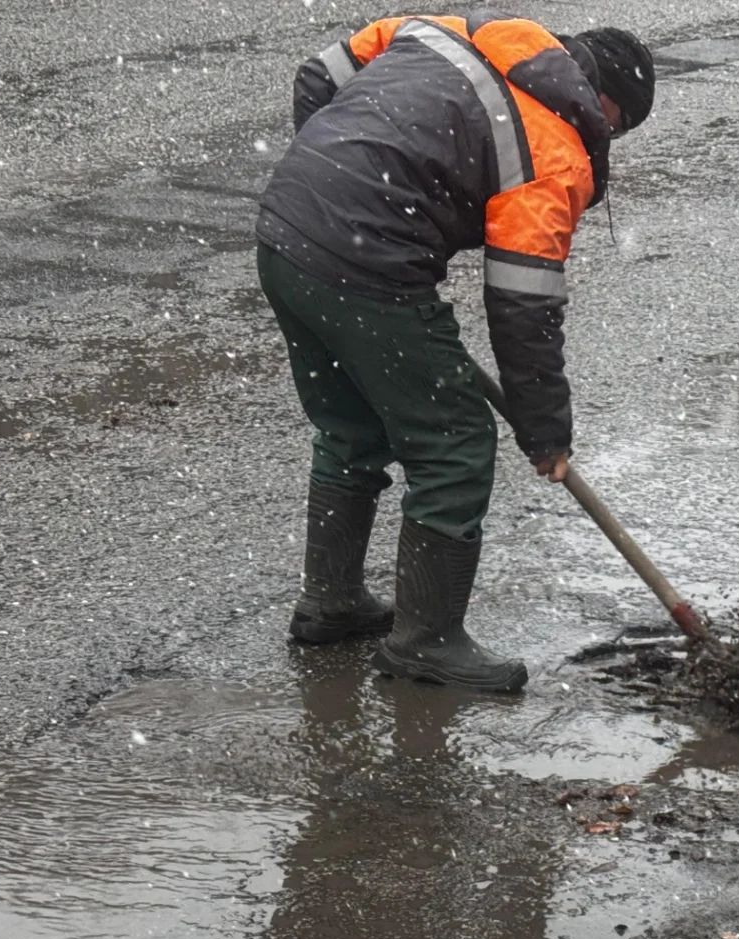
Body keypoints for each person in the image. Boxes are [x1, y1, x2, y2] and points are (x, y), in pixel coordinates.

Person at [255, 13, 655, 694]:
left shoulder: (461, 30)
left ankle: (331, 602)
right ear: (608, 104)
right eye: (616, 129)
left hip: (286, 230)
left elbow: (320, 74)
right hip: (365, 264)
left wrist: (337, 182)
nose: (607, 139)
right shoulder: (555, 145)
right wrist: (544, 431)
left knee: (351, 428)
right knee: (455, 440)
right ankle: (427, 641)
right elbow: (523, 307)